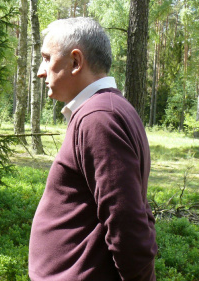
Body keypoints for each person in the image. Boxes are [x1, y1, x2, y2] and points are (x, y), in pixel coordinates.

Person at [28, 17, 157, 281]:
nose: (41, 71)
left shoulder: (99, 117)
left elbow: (127, 221)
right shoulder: (107, 109)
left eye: (46, 58)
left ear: (76, 62)